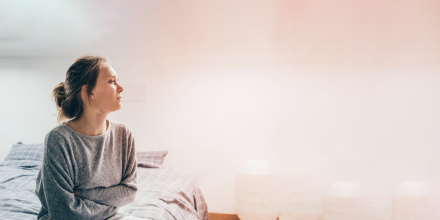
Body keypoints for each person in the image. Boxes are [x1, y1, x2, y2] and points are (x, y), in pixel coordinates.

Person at [35, 55, 138, 220]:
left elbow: (129, 193)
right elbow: (63, 212)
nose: (121, 88)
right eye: (112, 81)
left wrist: (82, 194)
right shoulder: (58, 139)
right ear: (89, 91)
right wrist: (109, 206)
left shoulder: (123, 134)